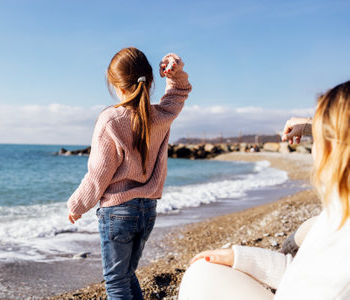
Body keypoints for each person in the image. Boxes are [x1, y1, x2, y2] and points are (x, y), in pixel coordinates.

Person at [179, 81, 350, 300]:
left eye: (317, 136)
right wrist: (239, 257)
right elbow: (304, 272)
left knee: (202, 275)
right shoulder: (338, 211)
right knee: (206, 269)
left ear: (330, 148)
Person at [67, 47, 192, 299]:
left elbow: (99, 174)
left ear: (116, 85)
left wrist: (77, 204)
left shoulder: (112, 119)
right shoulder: (161, 115)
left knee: (116, 282)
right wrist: (175, 73)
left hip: (118, 212)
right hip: (148, 211)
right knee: (126, 274)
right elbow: (179, 92)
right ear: (149, 80)